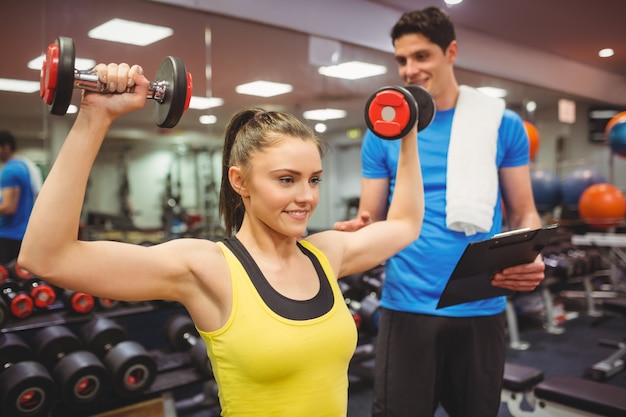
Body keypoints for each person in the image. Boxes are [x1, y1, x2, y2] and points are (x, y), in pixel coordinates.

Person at [18, 62, 424, 416]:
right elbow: (46, 256)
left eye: (313, 180)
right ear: (239, 181)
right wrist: (95, 116)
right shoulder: (206, 267)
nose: (307, 196)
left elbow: (405, 223)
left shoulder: (326, 255)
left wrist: (407, 134)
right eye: (286, 179)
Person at [334, 7, 545, 417]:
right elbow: (371, 218)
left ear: (451, 52)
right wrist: (359, 229)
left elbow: (524, 214)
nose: (409, 69)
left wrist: (529, 253)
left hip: (481, 306)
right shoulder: (386, 130)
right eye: (401, 59)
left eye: (421, 56)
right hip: (406, 306)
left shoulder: (502, 124)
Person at [0, 130, 42, 264]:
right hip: (22, 234)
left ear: (6, 147)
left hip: (9, 235)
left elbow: (8, 207)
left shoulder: (10, 170)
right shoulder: (24, 166)